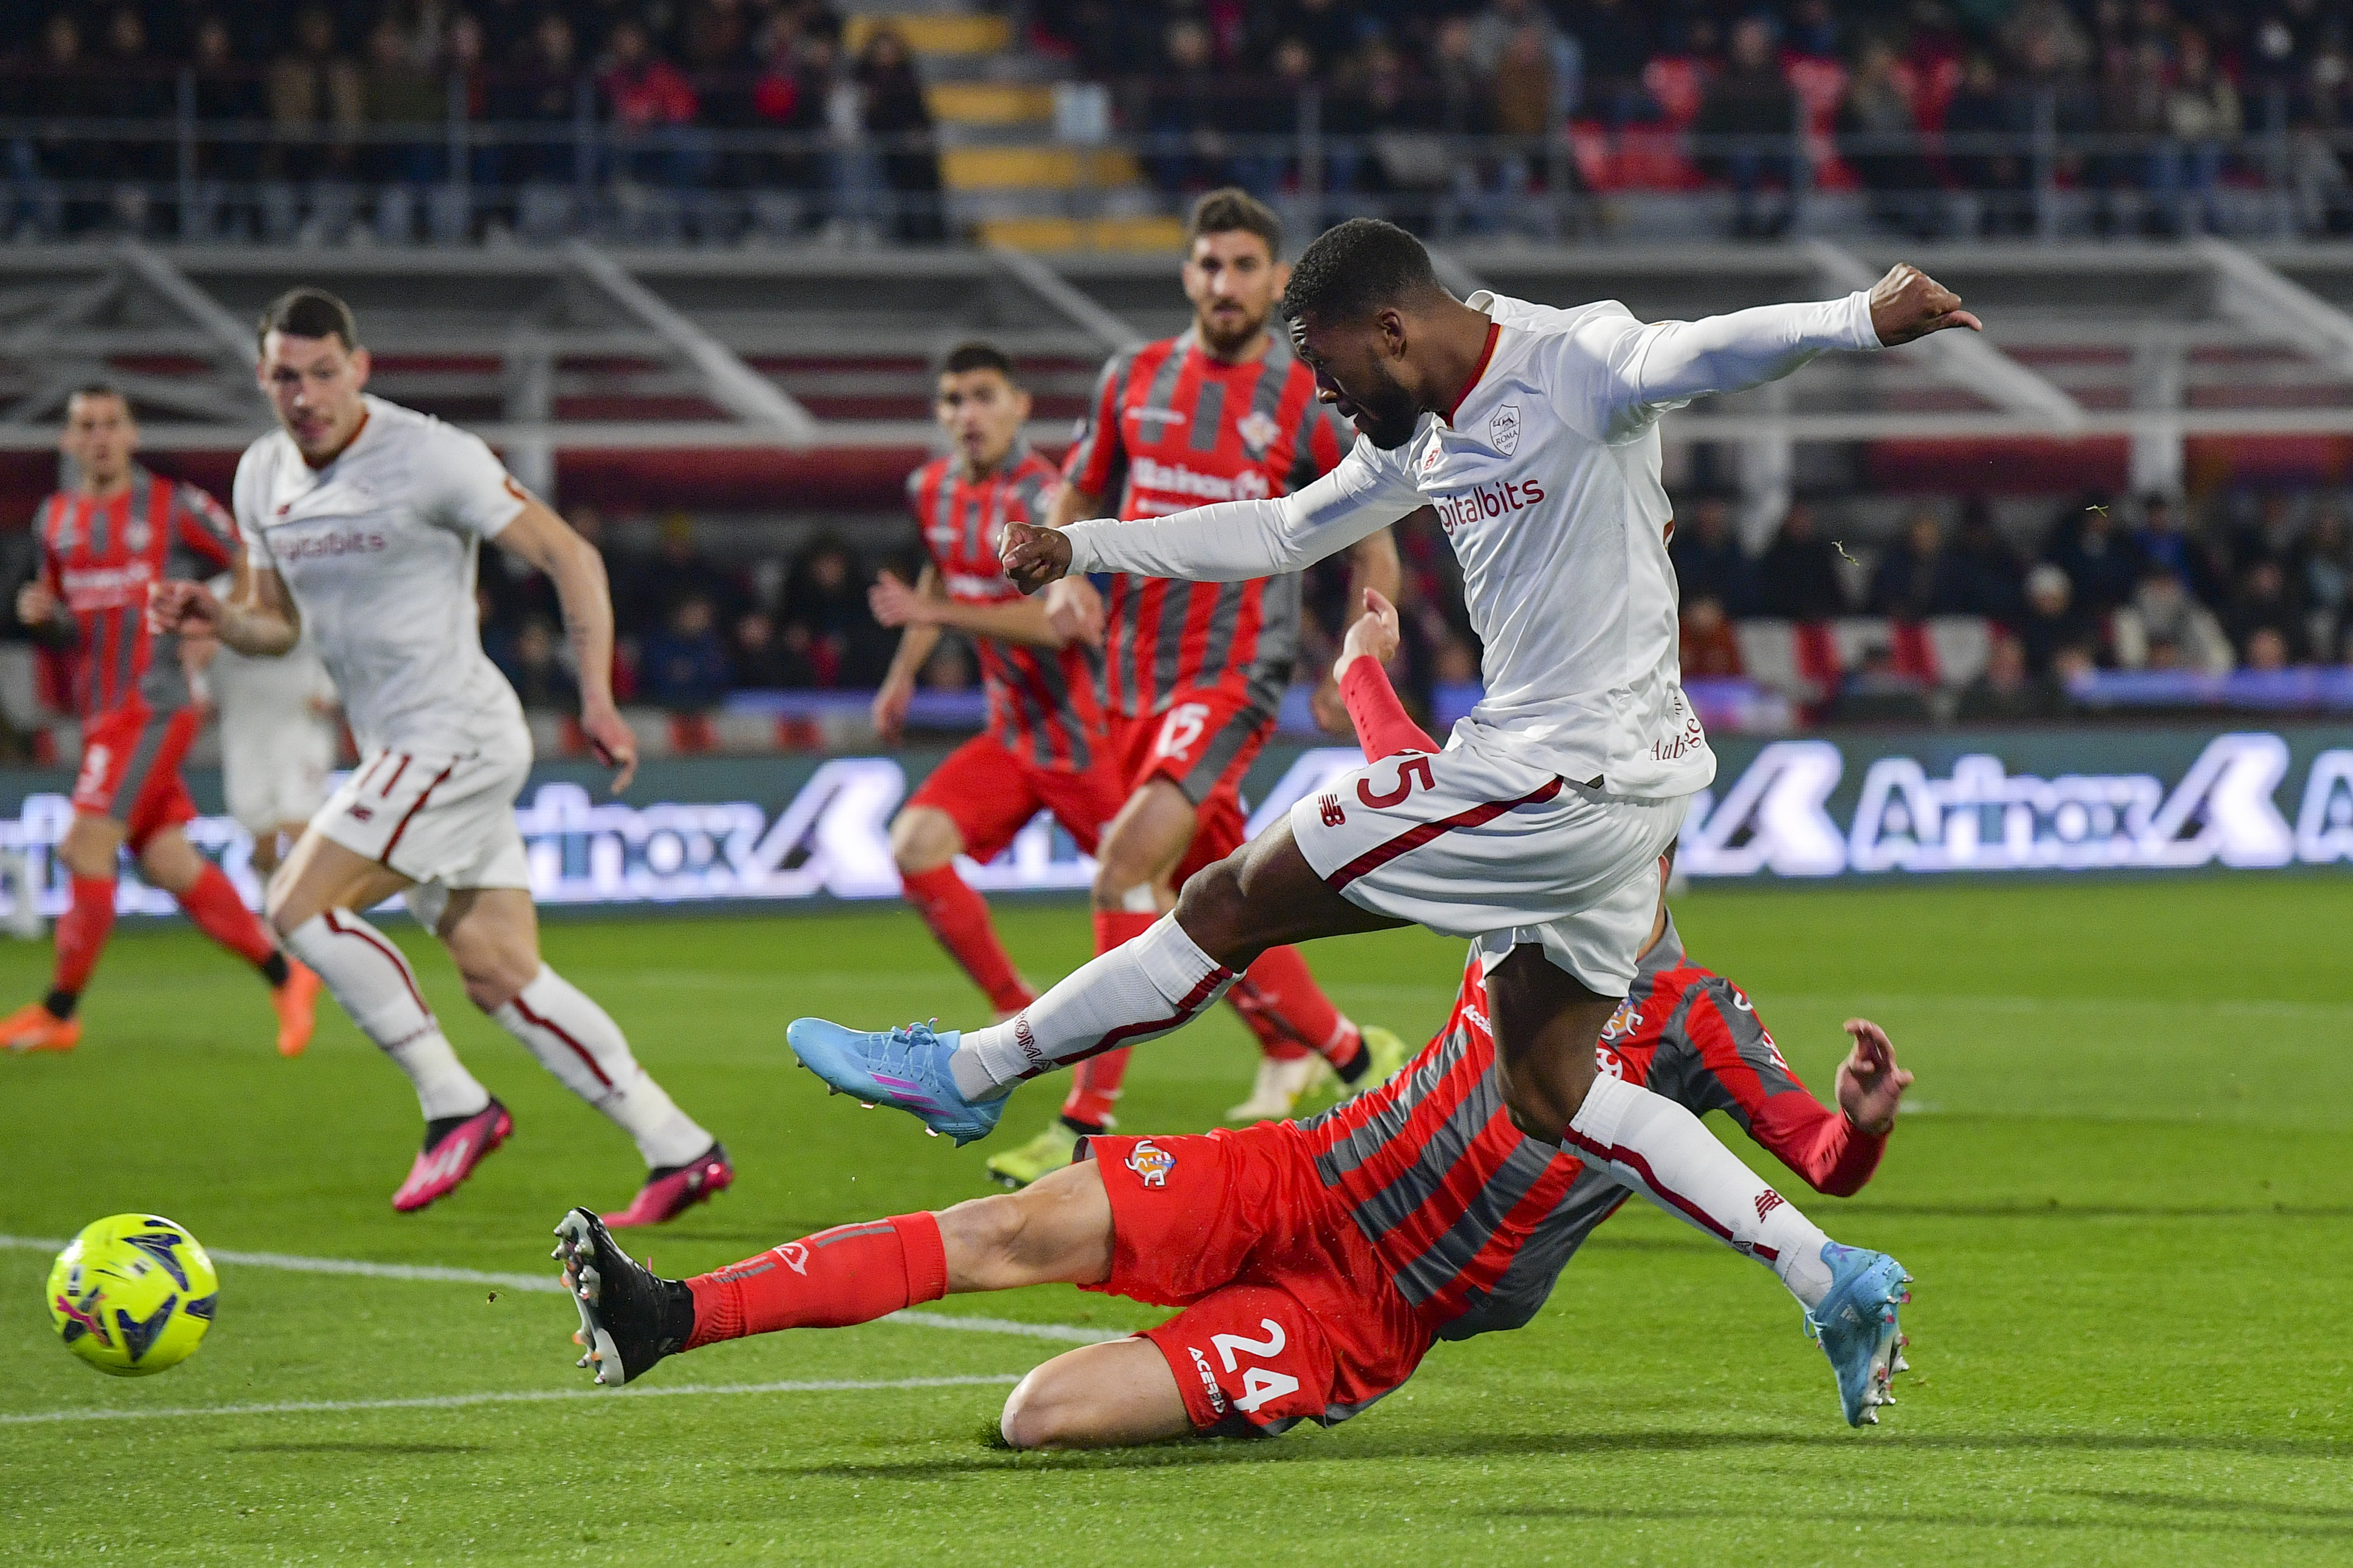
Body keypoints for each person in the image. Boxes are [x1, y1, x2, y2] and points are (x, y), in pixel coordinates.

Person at [790, 220, 1972, 1419]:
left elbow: (1704, 351)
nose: (1322, 391)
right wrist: (1083, 546)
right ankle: (1828, 1276)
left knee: (1225, 901)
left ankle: (972, 1071)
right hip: (1635, 797)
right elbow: (1278, 529)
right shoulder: (1426, 430)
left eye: (1325, 360)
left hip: (1553, 776)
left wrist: (1856, 319)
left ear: (1391, 329)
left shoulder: (1574, 359)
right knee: (1550, 1089)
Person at [556, 595, 1917, 1435]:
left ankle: (1228, 1375)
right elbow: (1408, 777)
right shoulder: (1523, 875)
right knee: (1007, 1228)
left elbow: (1814, 1152)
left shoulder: (1701, 1013)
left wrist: (1855, 1128)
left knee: (1045, 1414)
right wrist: (1369, 670)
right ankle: (666, 1313)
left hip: (1365, 1310)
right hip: (1302, 1173)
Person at [147, 289, 730, 1226]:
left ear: (360, 367)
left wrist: (596, 695)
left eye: (323, 372)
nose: (305, 394)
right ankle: (679, 1146)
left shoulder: (430, 454)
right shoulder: (261, 475)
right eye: (286, 376)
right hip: (399, 749)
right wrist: (220, 618)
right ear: (263, 378)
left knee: (296, 904)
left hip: (452, 733)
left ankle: (453, 1101)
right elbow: (277, 626)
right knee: (501, 971)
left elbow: (570, 554)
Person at [996, 188, 1408, 1185]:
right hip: (1131, 675)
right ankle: (1357, 1057)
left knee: (1119, 866)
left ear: (1274, 280)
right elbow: (1080, 488)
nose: (1223, 284)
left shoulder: (1302, 393)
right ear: (1187, 274)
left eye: (1243, 267)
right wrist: (1060, 586)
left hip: (1231, 675)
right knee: (1213, 899)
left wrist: (1360, 645)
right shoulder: (1129, 378)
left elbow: (1372, 531)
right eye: (1208, 265)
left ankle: (1083, 1120)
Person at [0, 387, 320, 1058]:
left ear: (132, 434)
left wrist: (221, 625)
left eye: (111, 424)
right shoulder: (54, 519)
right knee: (170, 864)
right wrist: (40, 615)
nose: (99, 437)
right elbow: (65, 621)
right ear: (68, 440)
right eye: (85, 426)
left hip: (155, 702)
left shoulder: (172, 507)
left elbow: (247, 558)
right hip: (101, 711)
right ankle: (287, 976)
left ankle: (59, 1011)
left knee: (85, 847)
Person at [868, 342, 1124, 1072]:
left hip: (1084, 740)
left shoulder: (1049, 498)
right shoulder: (929, 490)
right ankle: (1012, 1002)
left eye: (983, 396)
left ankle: (1305, 1042)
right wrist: (902, 674)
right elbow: (938, 579)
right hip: (1013, 740)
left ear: (1020, 406)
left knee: (1173, 903)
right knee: (914, 846)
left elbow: (1058, 626)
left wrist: (936, 613)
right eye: (952, 399)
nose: (966, 413)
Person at [195, 587, 342, 879]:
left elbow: (336, 638)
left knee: (301, 824)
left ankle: (320, 911)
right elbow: (193, 652)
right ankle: (272, 913)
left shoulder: (305, 588)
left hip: (301, 726)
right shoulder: (213, 595)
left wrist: (331, 689)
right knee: (260, 836)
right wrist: (199, 690)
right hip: (244, 731)